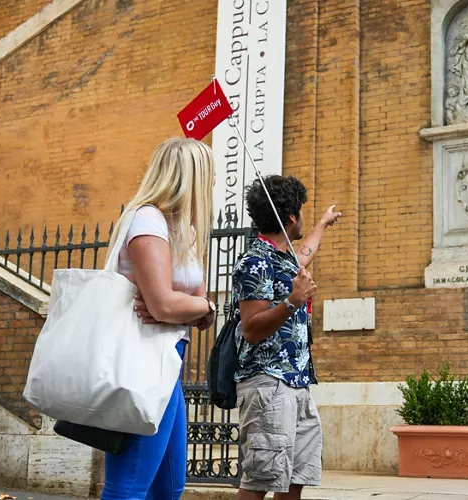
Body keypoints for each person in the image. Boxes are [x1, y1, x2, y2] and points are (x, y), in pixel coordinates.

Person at [102, 137, 219, 500]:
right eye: (210, 176)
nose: (214, 184)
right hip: (142, 366)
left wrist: (202, 308)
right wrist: (194, 307)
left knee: (168, 487)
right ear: (192, 178)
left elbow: (194, 305)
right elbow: (166, 306)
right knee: (129, 488)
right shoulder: (148, 221)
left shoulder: (182, 232)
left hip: (169, 366)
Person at [232, 175, 341, 500]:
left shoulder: (283, 258)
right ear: (291, 217)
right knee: (260, 481)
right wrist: (293, 300)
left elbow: (304, 252)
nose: (306, 219)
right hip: (268, 386)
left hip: (297, 383)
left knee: (296, 479)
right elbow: (251, 329)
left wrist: (322, 223)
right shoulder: (254, 262)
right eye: (304, 213)